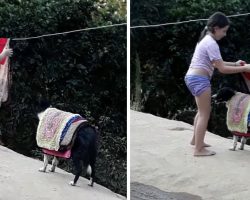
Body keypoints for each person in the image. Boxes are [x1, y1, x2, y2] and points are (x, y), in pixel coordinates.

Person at [184, 12, 250, 156]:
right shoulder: (211, 43)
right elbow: (222, 69)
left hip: (193, 77)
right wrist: (244, 68)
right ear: (216, 28)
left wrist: (235, 63)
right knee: (204, 114)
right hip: (199, 79)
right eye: (224, 30)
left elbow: (217, 63)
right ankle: (198, 150)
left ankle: (196, 141)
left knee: (201, 111)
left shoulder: (205, 40)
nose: (225, 34)